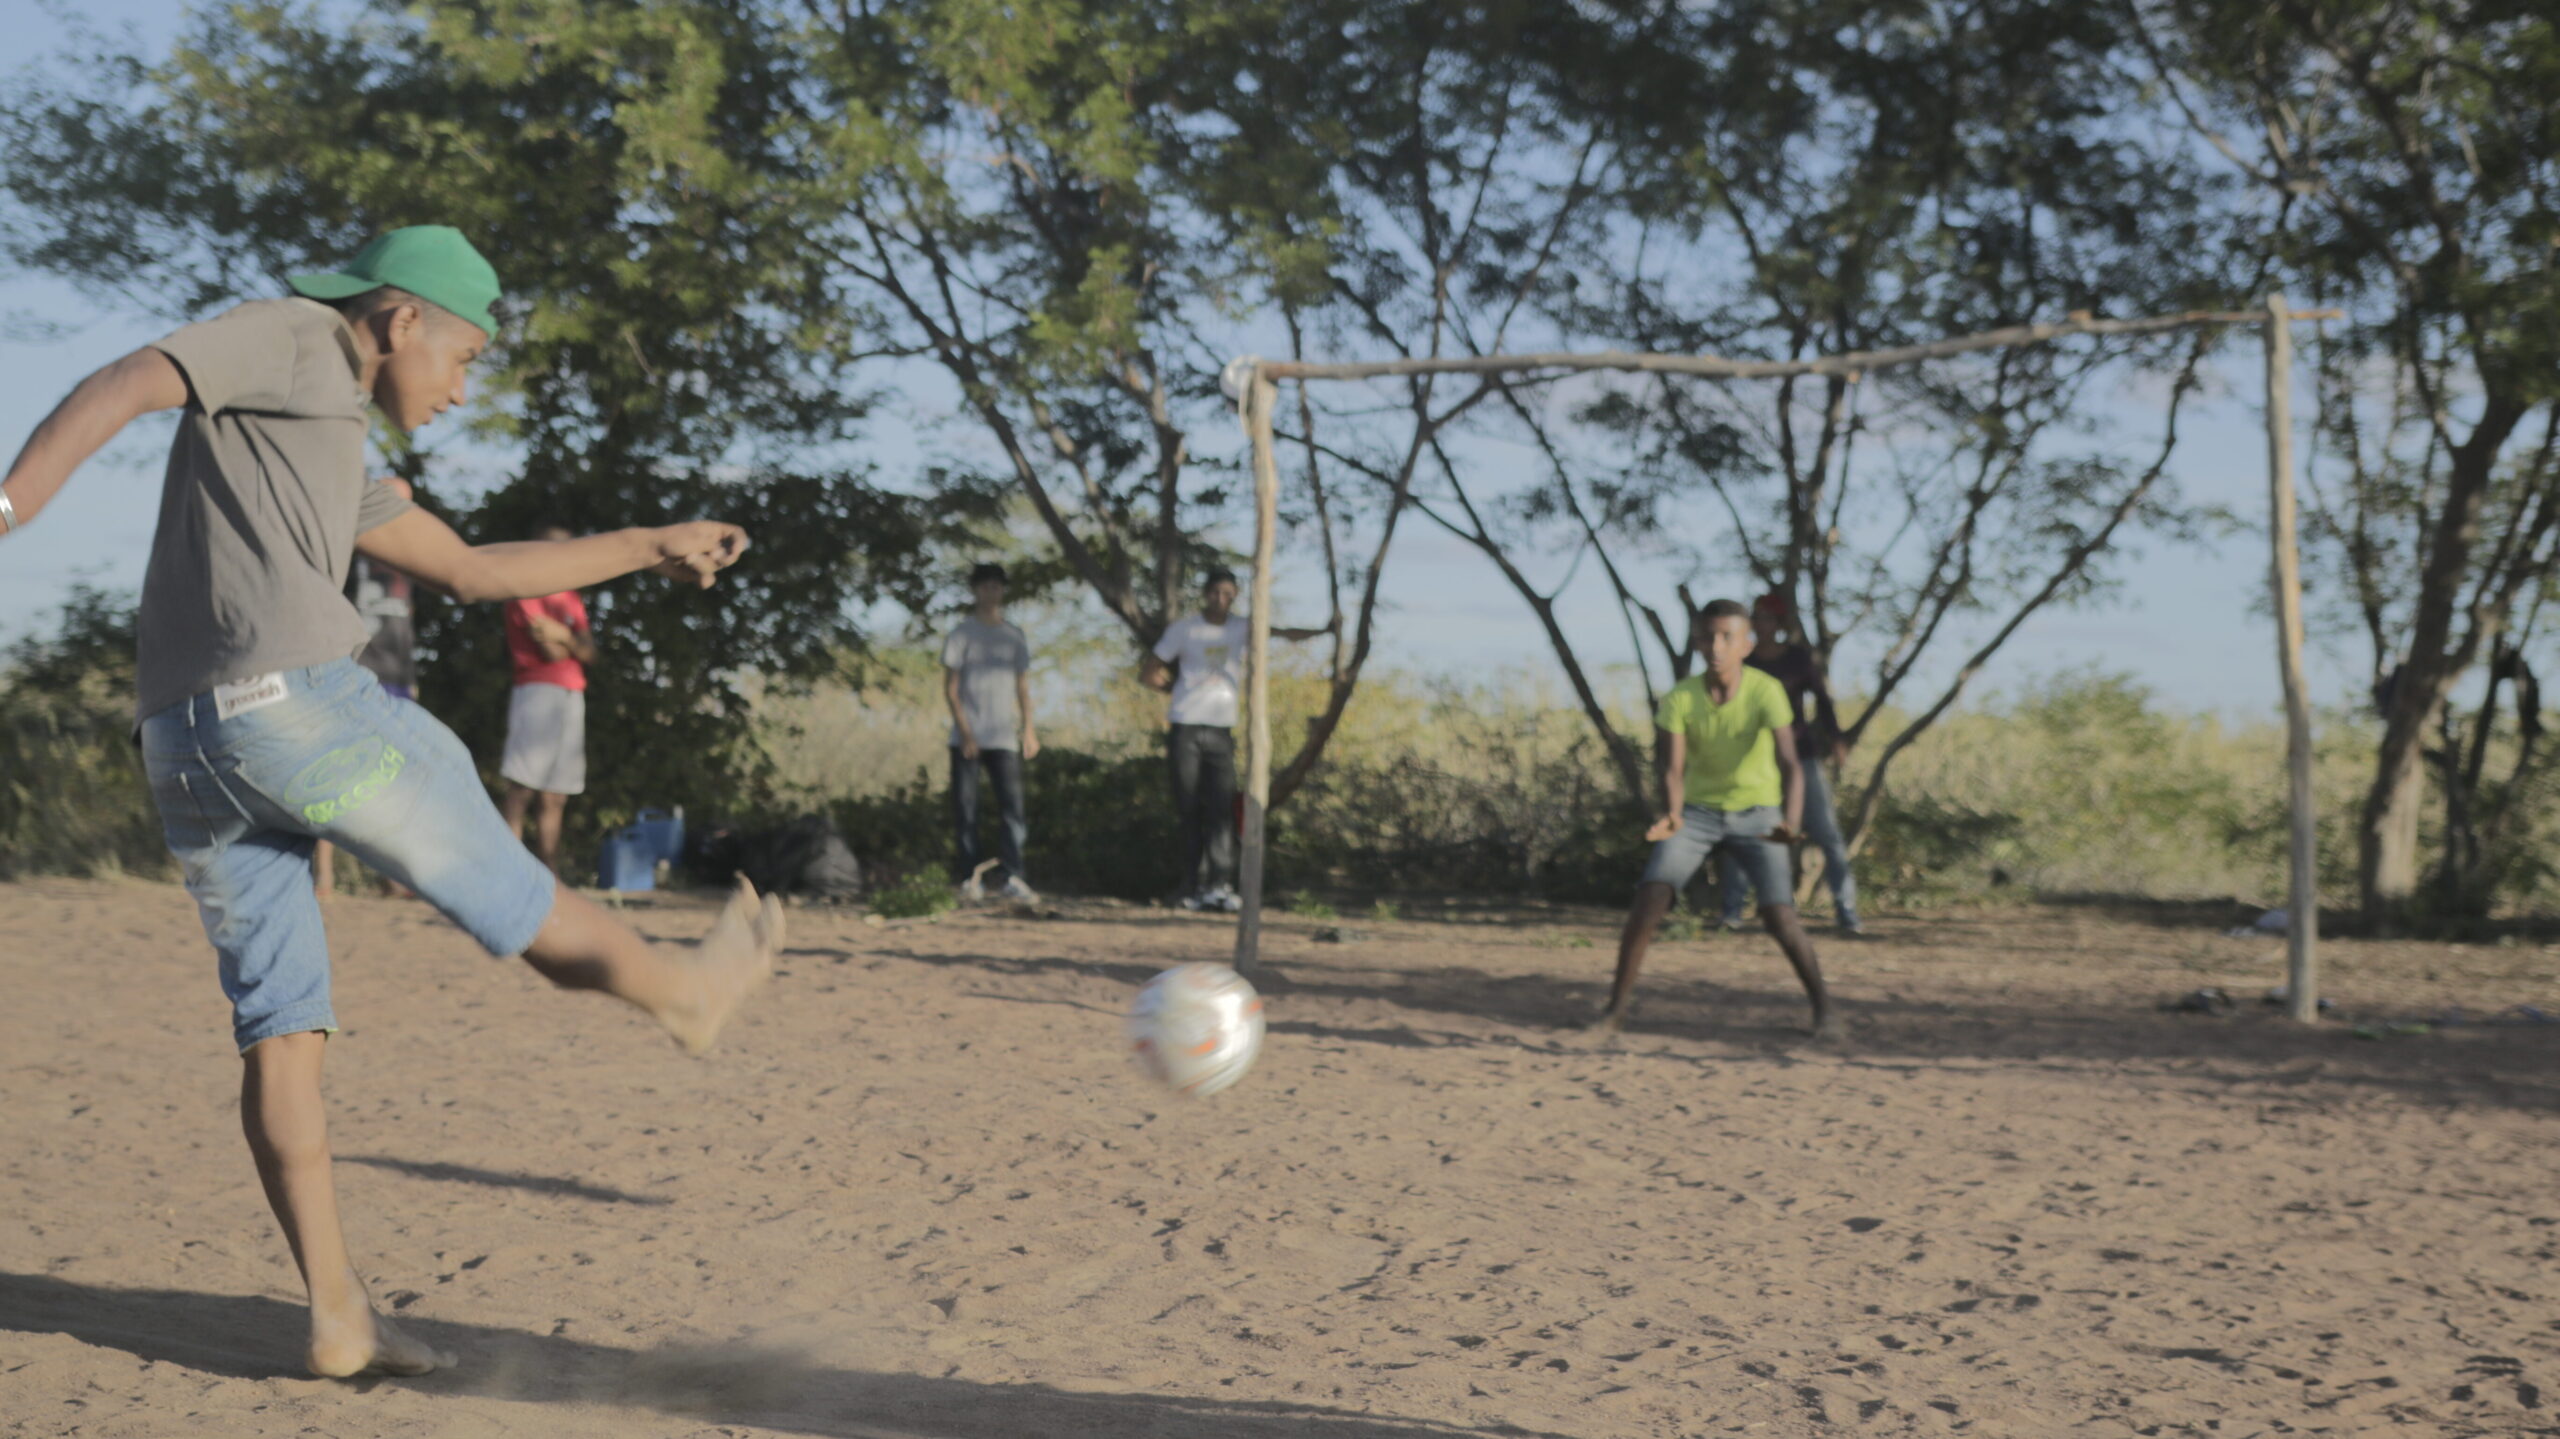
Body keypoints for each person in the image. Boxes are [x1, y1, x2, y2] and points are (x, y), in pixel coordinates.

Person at [0, 224, 784, 1379]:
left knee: (283, 1023)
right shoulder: (297, 336)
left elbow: (468, 568)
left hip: (185, 741)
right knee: (501, 877)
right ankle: (683, 991)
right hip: (296, 711)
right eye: (465, 355)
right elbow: (126, 380)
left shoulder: (323, 443)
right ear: (400, 318)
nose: (466, 386)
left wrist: (644, 545)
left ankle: (337, 1311)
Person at [1591, 599, 1837, 1040]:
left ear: (1747, 643)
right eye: (1709, 637)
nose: (1717, 646)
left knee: (1779, 916)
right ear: (1698, 641)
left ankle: (1825, 1013)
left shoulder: (1765, 691)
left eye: (1728, 637)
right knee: (1650, 900)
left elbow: (1791, 765)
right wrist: (1671, 813)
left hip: (1759, 813)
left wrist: (1790, 823)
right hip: (1699, 814)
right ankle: (1615, 1011)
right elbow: (1671, 768)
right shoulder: (1681, 698)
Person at [1139, 567, 1328, 911]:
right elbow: (1149, 670)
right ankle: (1191, 886)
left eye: (1228, 594)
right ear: (1205, 593)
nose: (1221, 600)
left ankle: (1220, 884)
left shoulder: (1243, 627)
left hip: (1221, 729)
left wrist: (1326, 629)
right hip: (1186, 726)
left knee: (1223, 809)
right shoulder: (1185, 629)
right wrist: (1174, 689)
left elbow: (1284, 633)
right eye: (1215, 593)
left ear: (1236, 596)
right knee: (1189, 808)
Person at [1715, 591, 1863, 935]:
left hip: (1799, 755)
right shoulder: (1744, 661)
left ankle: (1847, 912)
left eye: (1769, 617)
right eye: (1758, 617)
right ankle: (1732, 911)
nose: (1763, 624)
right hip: (1754, 759)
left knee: (1827, 834)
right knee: (1741, 830)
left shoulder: (1797, 659)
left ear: (1780, 624)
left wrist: (1836, 737)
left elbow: (1823, 701)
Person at [313, 477, 422, 900]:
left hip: (396, 675)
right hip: (352, 670)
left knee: (396, 777)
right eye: (397, 503)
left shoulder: (411, 560)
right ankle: (324, 875)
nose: (403, 513)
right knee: (335, 771)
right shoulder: (346, 548)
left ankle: (392, 878)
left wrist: (412, 679)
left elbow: (405, 626)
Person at [498, 526, 594, 876]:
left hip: (572, 694)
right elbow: (552, 652)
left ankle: (549, 877)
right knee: (521, 789)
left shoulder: (570, 596)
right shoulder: (525, 589)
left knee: (556, 795)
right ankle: (510, 872)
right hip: (536, 692)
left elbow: (590, 653)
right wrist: (572, 641)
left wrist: (565, 636)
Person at [942, 561, 1039, 903]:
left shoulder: (1014, 635)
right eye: (985, 586)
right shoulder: (962, 633)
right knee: (966, 810)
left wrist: (1028, 729)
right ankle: (971, 879)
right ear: (975, 590)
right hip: (967, 738)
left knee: (1013, 809)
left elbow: (1023, 687)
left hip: (1004, 738)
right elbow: (951, 689)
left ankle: (1013, 876)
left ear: (1002, 591)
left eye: (996, 586)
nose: (991, 592)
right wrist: (966, 732)